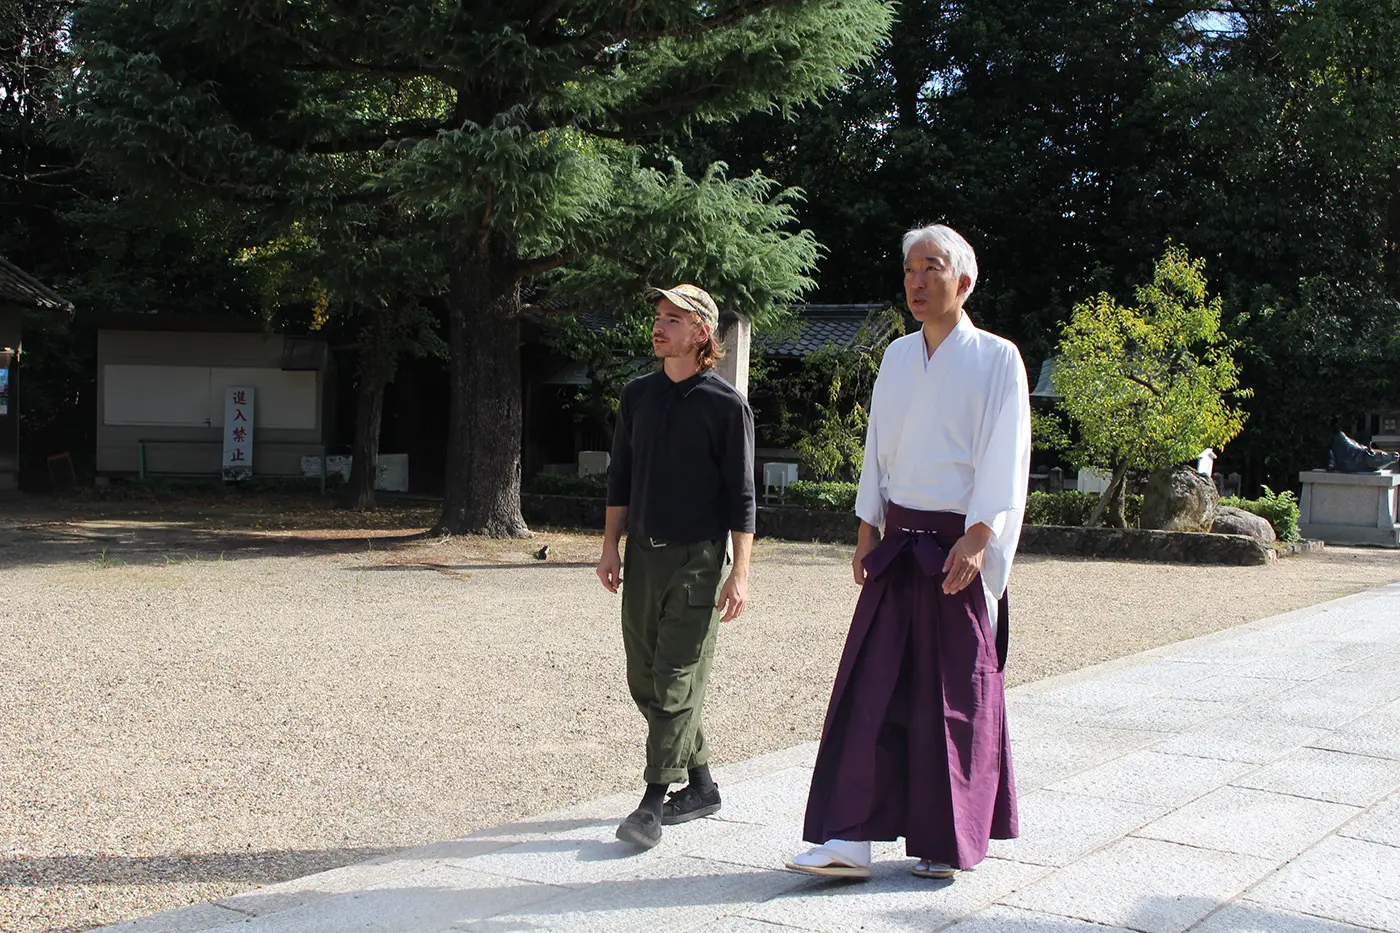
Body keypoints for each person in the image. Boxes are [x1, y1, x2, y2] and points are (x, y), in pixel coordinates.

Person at [787, 224, 1030, 880]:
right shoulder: (896, 357)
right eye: (909, 271)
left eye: (931, 267)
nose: (916, 281)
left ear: (965, 280)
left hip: (957, 547)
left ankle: (945, 839)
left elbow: (1006, 456)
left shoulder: (998, 358)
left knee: (953, 696)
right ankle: (846, 836)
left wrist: (980, 540)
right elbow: (878, 447)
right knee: (869, 687)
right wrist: (867, 524)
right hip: (898, 544)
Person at [597, 283, 756, 850]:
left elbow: (742, 496)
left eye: (674, 319)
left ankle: (650, 803)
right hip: (641, 556)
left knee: (674, 683)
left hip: (698, 560)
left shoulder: (724, 404)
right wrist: (610, 546)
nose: (659, 327)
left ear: (702, 333)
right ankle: (703, 783)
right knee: (647, 680)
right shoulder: (638, 395)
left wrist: (739, 573)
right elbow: (620, 477)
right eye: (659, 316)